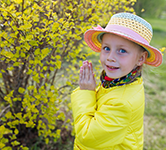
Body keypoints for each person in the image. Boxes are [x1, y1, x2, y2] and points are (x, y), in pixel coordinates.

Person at [71, 12, 163, 150]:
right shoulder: (120, 81)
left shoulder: (122, 103)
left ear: (140, 58)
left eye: (122, 51)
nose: (110, 57)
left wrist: (86, 93)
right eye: (106, 48)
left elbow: (87, 136)